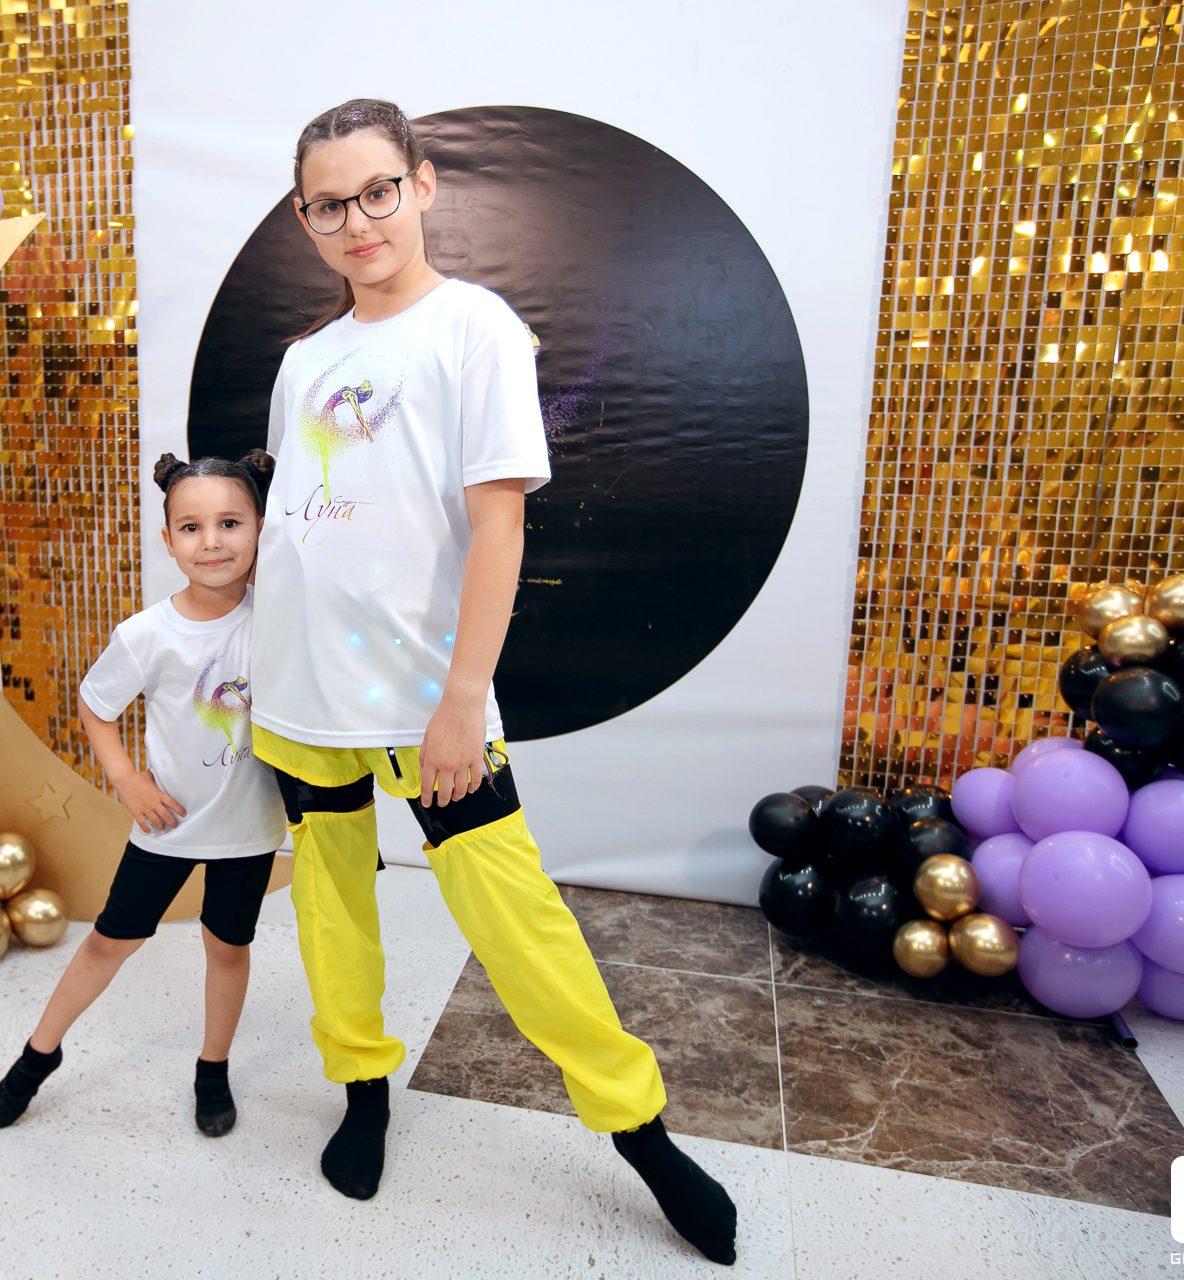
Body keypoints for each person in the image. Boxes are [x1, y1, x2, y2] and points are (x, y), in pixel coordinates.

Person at [250, 99, 739, 1266]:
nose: (357, 220)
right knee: (330, 904)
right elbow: (295, 522)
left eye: (377, 191)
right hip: (299, 691)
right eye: (329, 204)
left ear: (421, 184)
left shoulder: (475, 328)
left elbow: (500, 525)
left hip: (425, 695)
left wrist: (463, 695)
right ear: (306, 219)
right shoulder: (304, 360)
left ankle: (640, 1127)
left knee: (516, 919)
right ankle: (362, 1086)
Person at [0, 450, 286, 1139]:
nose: (211, 542)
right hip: (168, 825)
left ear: (259, 528)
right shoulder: (147, 634)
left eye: (230, 523)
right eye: (191, 527)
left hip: (248, 828)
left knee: (227, 948)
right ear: (168, 540)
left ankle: (212, 1068)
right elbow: (96, 706)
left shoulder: (278, 618)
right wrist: (125, 778)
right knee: (108, 943)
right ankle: (38, 1056)